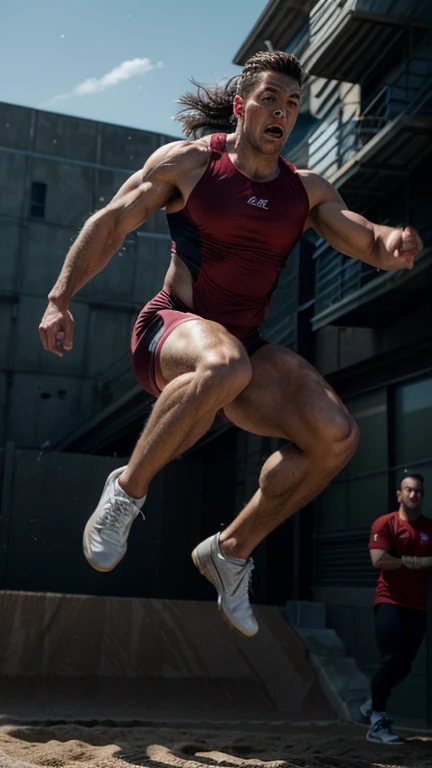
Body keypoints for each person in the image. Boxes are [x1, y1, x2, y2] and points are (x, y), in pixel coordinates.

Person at [38, 51, 422, 639]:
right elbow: (112, 221)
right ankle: (126, 491)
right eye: (270, 98)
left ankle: (230, 550)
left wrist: (392, 241)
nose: (282, 112)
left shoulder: (305, 191)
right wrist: (60, 298)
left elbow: (364, 236)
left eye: (292, 103)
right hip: (171, 329)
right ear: (242, 107)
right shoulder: (191, 164)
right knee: (224, 363)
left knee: (336, 437)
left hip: (244, 349)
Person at [360, 472, 432, 745]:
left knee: (404, 665)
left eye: (419, 491)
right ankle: (377, 722)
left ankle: (371, 704)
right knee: (391, 659)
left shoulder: (429, 528)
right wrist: (412, 560)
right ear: (399, 495)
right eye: (409, 490)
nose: (414, 495)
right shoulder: (385, 523)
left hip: (417, 604)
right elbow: (379, 559)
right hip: (389, 600)